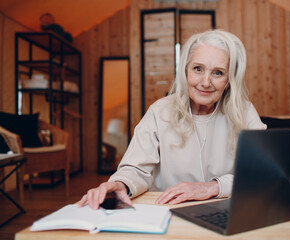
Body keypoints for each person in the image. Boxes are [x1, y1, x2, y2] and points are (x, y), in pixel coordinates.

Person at [79, 29, 266, 209]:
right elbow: (135, 169)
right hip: (168, 211)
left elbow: (265, 170)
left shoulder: (245, 111)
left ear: (228, 80)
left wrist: (213, 187)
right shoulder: (159, 112)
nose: (206, 82)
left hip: (227, 211)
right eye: (198, 69)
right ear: (185, 71)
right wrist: (120, 184)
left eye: (218, 72)